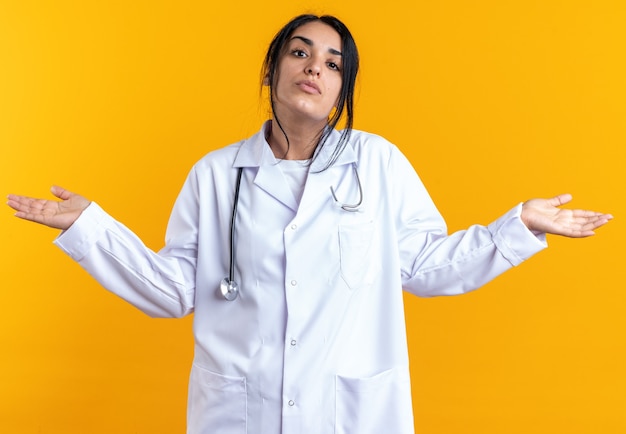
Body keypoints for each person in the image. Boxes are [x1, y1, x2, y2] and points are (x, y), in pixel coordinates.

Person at [6, 14, 611, 434]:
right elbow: (173, 291)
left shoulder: (376, 163)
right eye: (299, 52)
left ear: (341, 87)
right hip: (239, 412)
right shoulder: (218, 175)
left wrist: (519, 227)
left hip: (345, 410)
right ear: (271, 70)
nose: (314, 68)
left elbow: (424, 265)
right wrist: (90, 227)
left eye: (333, 62)